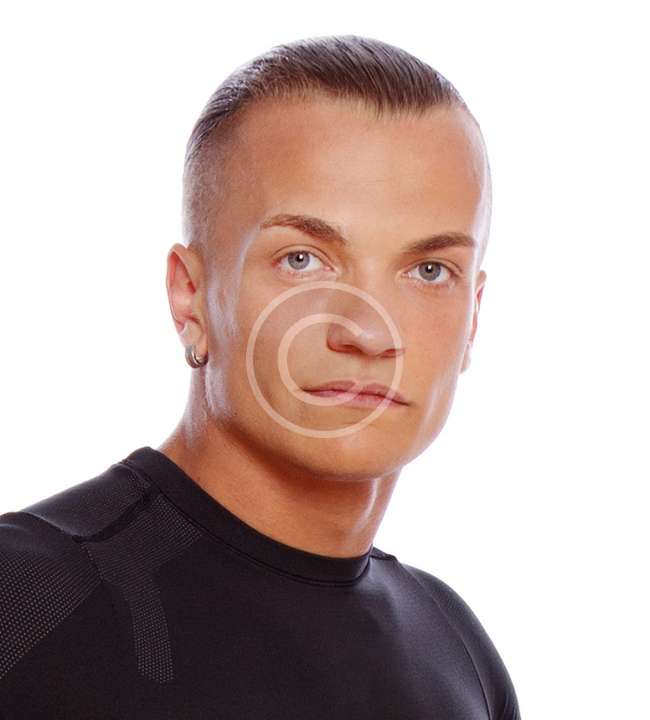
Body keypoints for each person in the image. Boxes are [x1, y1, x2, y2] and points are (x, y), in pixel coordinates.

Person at [0, 34, 521, 719]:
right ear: (191, 297)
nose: (367, 332)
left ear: (473, 317)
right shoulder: (23, 604)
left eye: (429, 271)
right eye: (302, 260)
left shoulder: (457, 651)